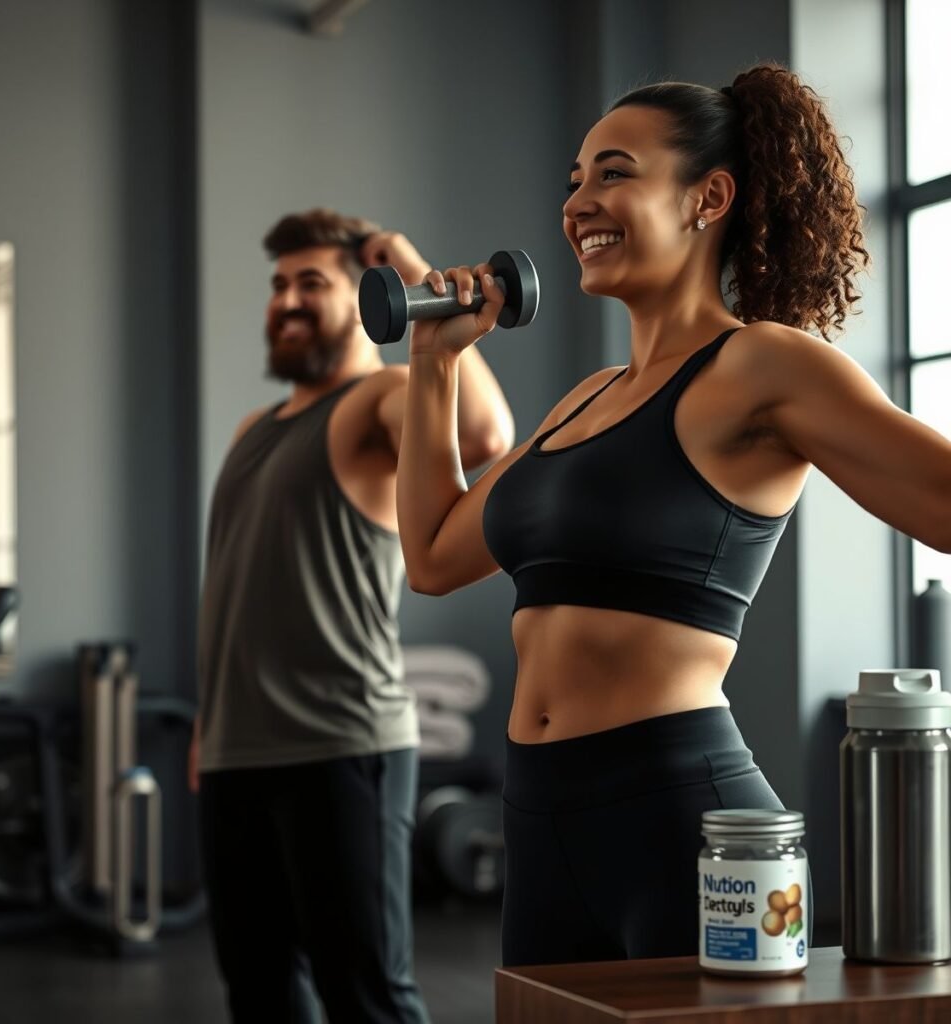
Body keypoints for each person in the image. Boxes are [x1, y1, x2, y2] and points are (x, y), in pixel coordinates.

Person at [395, 62, 951, 967]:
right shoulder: (585, 400)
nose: (579, 203)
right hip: (539, 817)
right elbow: (430, 554)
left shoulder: (763, 365)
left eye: (614, 173)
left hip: (679, 817)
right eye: (574, 181)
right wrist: (435, 364)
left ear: (709, 197)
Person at [191, 208, 514, 1022]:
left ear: (365, 295)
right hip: (236, 752)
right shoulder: (251, 430)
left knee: (364, 995)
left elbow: (481, 432)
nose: (287, 300)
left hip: (341, 745)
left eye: (312, 282)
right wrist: (207, 728)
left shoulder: (380, 399)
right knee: (260, 992)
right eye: (277, 284)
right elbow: (233, 590)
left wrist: (410, 267)